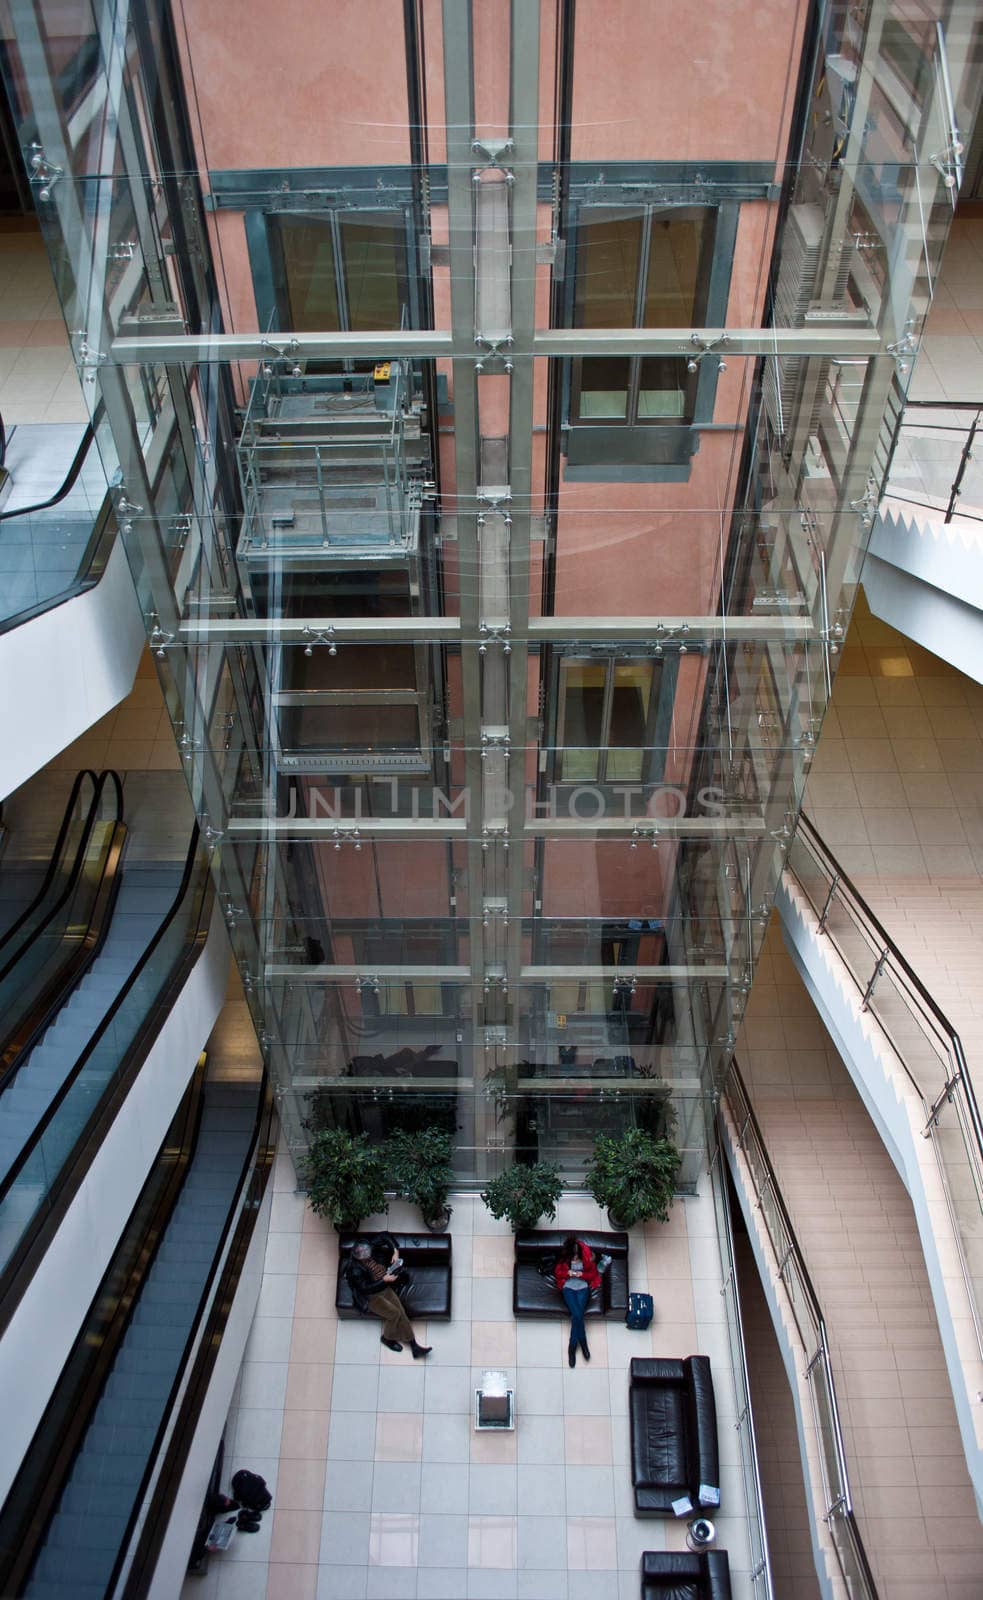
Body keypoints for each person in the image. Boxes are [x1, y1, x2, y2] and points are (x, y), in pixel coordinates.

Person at [345, 1238, 431, 1358]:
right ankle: (387, 1338)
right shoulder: (355, 1270)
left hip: (383, 1286)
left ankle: (414, 1347)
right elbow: (365, 1289)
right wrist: (383, 1280)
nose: (371, 1255)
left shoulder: (368, 1246)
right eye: (367, 1256)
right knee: (395, 1314)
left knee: (401, 1312)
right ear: (360, 1258)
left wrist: (395, 1251)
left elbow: (384, 1236)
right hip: (371, 1295)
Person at [554, 1234, 602, 1366]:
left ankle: (572, 1346)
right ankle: (583, 1341)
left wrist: (583, 1274)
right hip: (568, 1286)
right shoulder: (565, 1258)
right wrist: (567, 1273)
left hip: (582, 1287)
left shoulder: (586, 1255)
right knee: (577, 1314)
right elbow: (557, 1272)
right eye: (573, 1257)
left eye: (577, 1257)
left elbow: (593, 1274)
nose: (575, 1259)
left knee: (577, 1316)